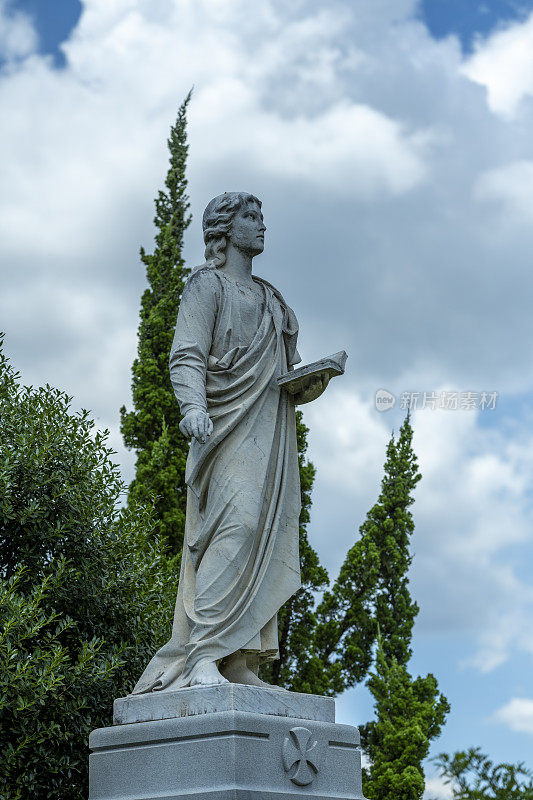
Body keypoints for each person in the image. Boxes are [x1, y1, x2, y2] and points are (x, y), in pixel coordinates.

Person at [132, 191, 303, 692]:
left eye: (262, 216)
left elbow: (284, 376)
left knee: (268, 535)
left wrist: (311, 381)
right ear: (225, 230)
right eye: (251, 217)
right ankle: (202, 652)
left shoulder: (273, 299)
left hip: (270, 429)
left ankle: (239, 659)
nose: (261, 225)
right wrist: (192, 407)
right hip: (223, 426)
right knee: (237, 524)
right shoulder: (206, 286)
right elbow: (186, 352)